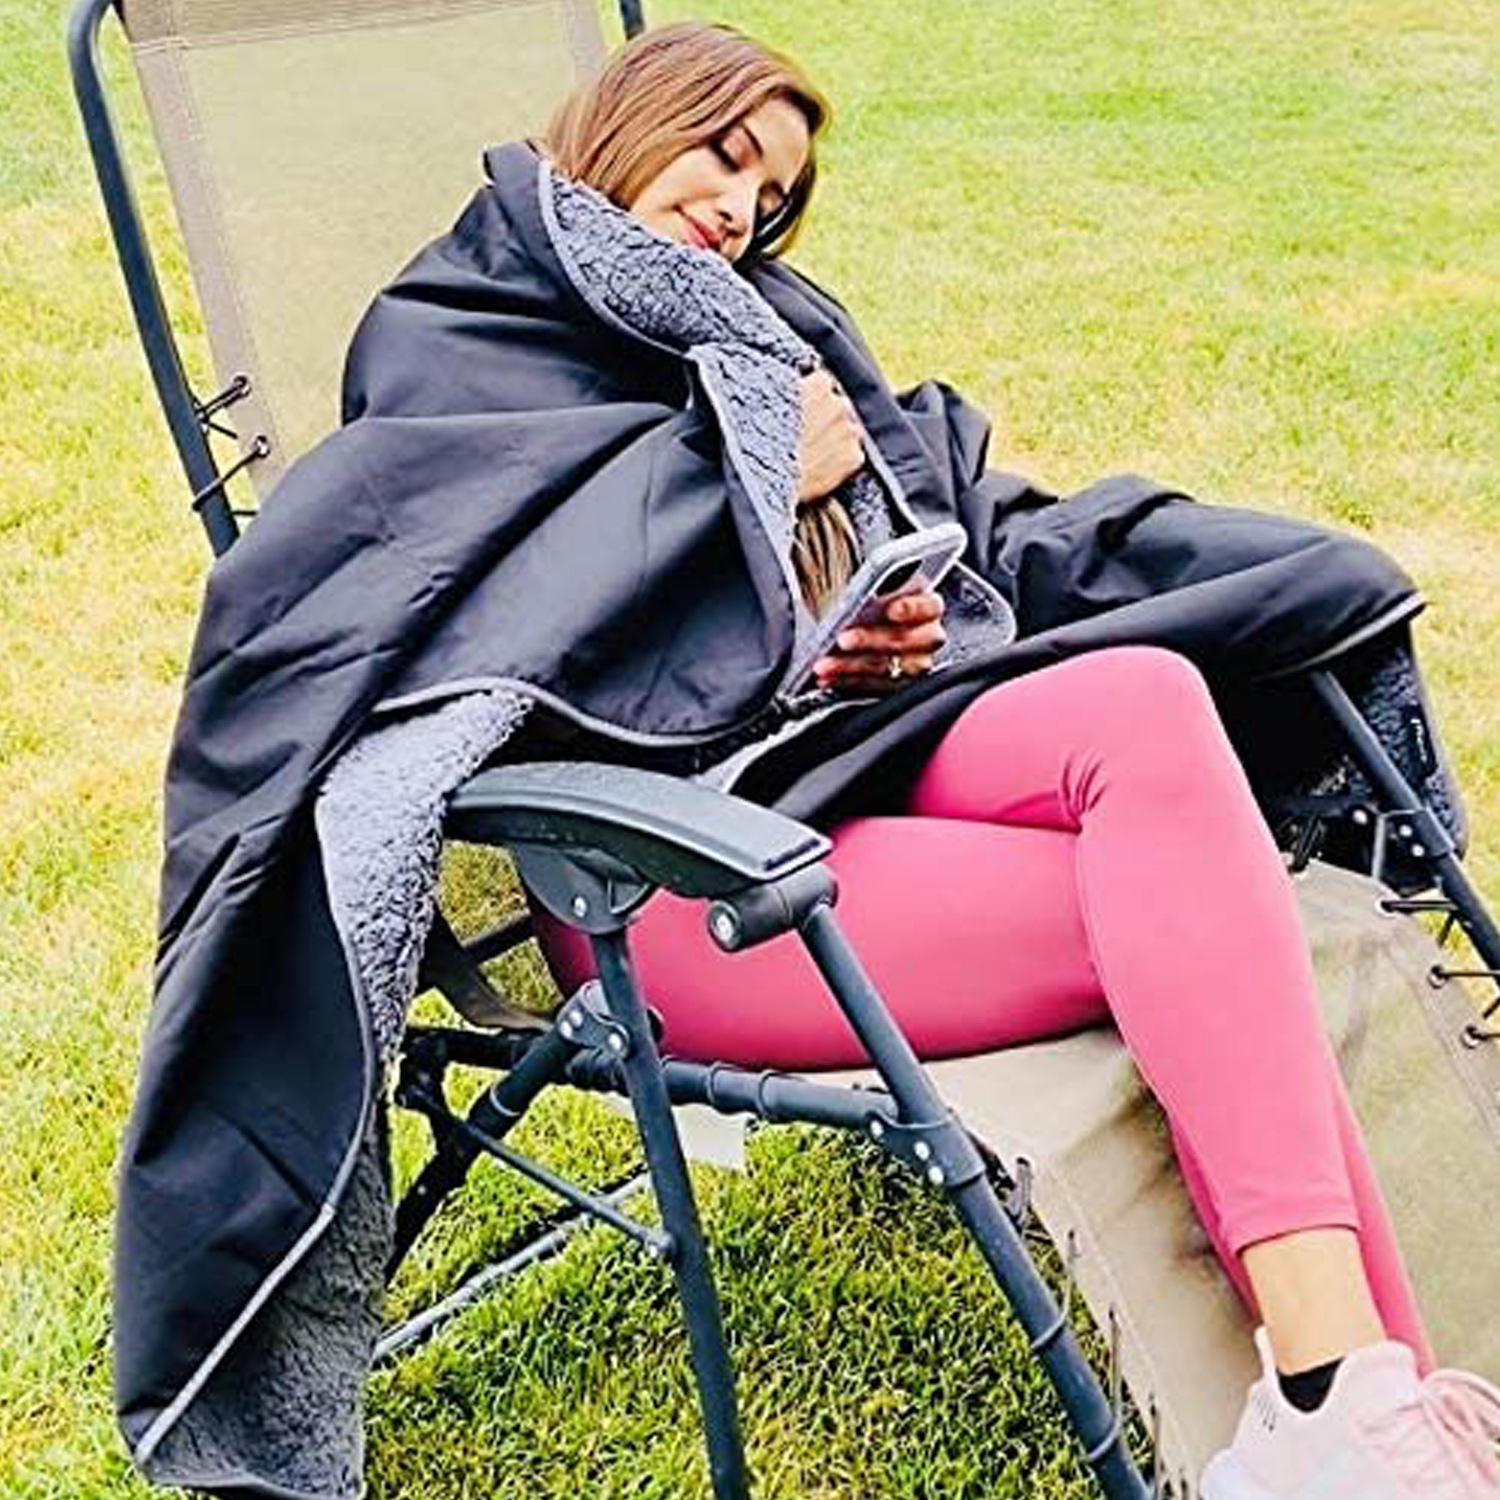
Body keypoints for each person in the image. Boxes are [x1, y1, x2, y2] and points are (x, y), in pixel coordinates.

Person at [517, 21, 1500, 1500]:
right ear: (635, 117)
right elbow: (496, 625)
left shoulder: (751, 326)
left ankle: (1354, 1408)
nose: (739, 208)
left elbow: (780, 598)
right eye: (723, 154)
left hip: (827, 766)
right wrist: (764, 484)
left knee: (1147, 704)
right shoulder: (475, 342)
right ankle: (1358, 1418)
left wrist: (854, 640)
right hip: (670, 879)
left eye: (770, 194)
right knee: (1198, 922)